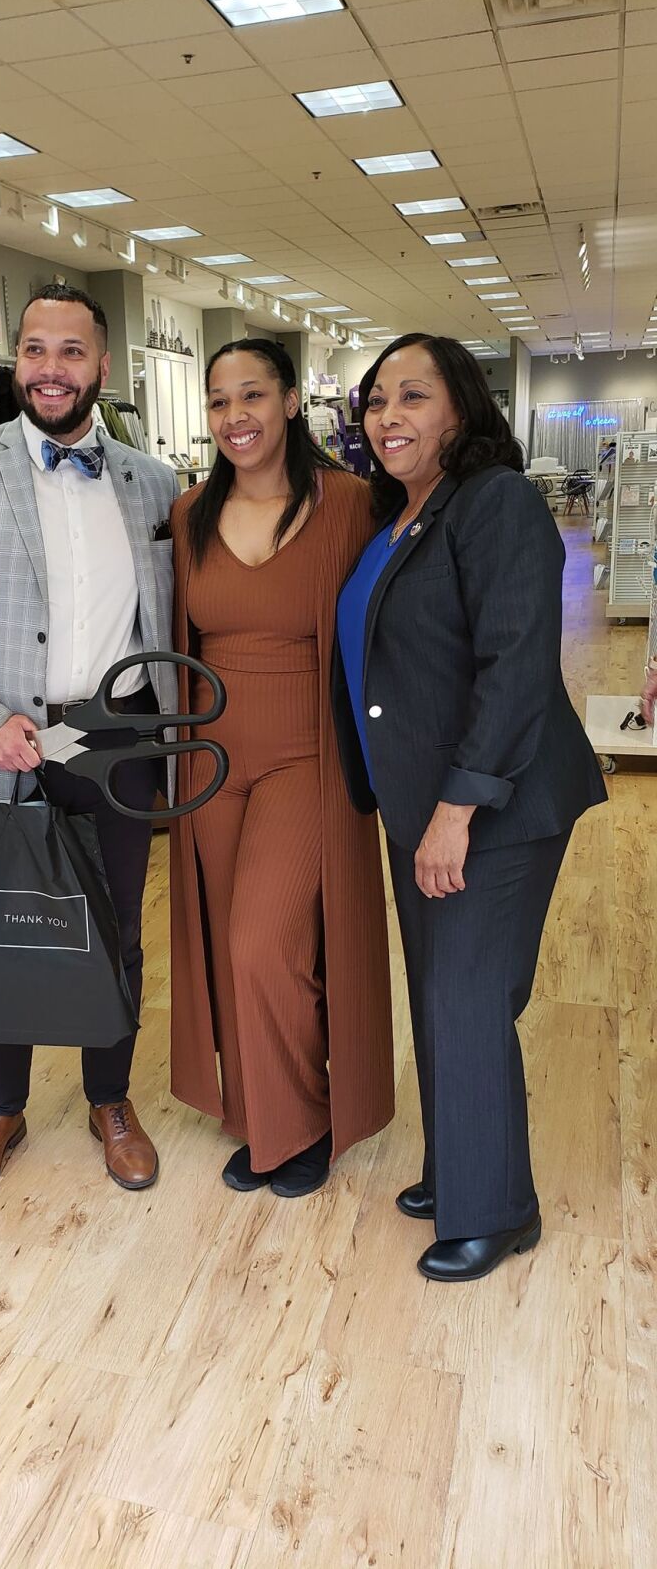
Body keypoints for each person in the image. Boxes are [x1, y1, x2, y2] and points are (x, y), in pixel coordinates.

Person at [0, 284, 178, 1203]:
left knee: (118, 927)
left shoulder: (152, 482)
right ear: (15, 361)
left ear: (103, 366)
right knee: (3, 925)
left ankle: (110, 1099)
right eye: (35, 350)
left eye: (71, 351)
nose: (51, 368)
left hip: (120, 737)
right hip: (5, 737)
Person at [333, 334, 607, 1281]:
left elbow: (517, 663)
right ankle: (458, 1167)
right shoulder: (400, 514)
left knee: (467, 992)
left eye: (414, 395)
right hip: (419, 801)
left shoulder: (496, 505)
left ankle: (498, 1209)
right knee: (439, 990)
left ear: (462, 410)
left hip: (497, 799)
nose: (389, 415)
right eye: (376, 400)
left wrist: (458, 808)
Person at [170, 340, 394, 1199]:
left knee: (266, 938)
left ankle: (304, 1116)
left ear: (293, 400)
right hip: (208, 752)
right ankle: (261, 1112)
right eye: (220, 401)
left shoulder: (349, 502)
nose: (236, 417)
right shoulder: (189, 511)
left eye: (253, 395)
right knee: (233, 947)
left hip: (310, 748)